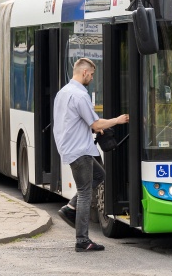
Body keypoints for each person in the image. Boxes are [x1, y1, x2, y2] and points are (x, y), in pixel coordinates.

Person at [52, 58, 129, 252]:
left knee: (99, 175)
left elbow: (74, 121)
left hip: (70, 147)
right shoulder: (80, 95)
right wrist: (118, 120)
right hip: (80, 150)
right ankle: (82, 240)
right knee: (86, 192)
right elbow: (95, 124)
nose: (92, 78)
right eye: (92, 74)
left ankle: (70, 209)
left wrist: (93, 129)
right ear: (84, 72)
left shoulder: (63, 93)